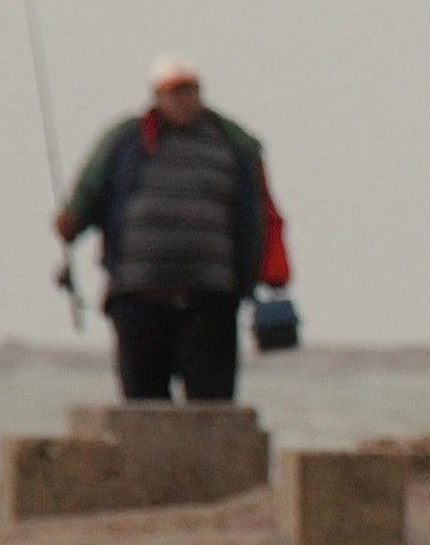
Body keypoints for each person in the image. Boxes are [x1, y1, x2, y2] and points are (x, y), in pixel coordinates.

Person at [55, 54, 291, 401]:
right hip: (137, 295)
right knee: (143, 404)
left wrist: (262, 273)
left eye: (191, 90)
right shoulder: (124, 142)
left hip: (211, 296)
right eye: (175, 91)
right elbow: (87, 198)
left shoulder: (231, 144)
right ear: (156, 96)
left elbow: (259, 213)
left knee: (212, 407)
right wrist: (70, 222)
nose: (184, 99)